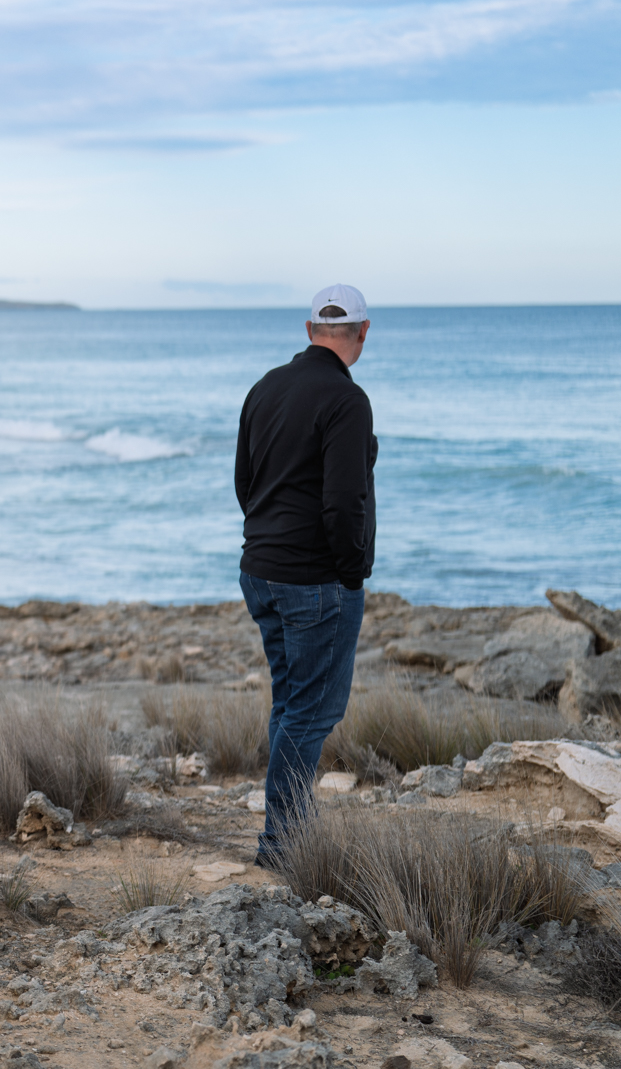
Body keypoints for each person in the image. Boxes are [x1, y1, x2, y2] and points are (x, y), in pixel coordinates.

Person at [235, 284, 377, 865]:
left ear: (308, 329)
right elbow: (344, 502)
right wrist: (351, 570)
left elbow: (245, 482)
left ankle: (290, 832)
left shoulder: (265, 387)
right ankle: (282, 845)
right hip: (315, 580)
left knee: (291, 703)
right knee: (313, 711)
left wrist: (271, 538)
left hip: (261, 570)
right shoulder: (347, 400)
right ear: (363, 333)